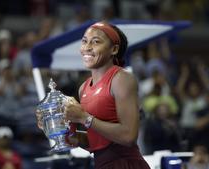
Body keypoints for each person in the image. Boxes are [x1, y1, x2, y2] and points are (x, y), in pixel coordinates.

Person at [36, 21, 150, 169]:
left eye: (96, 42)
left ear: (114, 49)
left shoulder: (121, 78)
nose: (87, 47)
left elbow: (129, 136)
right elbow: (97, 143)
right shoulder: (84, 88)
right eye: (84, 41)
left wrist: (84, 118)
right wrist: (65, 133)